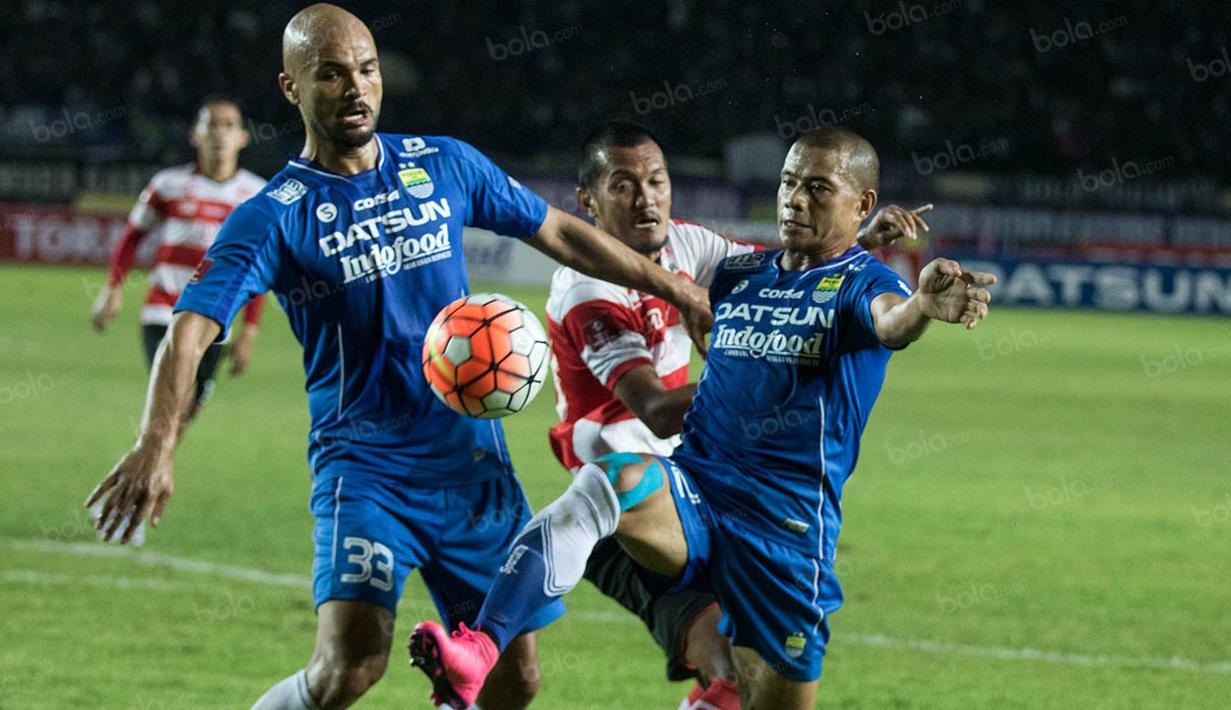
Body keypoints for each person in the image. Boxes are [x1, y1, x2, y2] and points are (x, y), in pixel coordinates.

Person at [82, 5, 711, 710]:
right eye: (331, 75)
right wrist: (155, 444)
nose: (356, 88)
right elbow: (190, 330)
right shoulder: (274, 213)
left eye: (367, 70)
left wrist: (675, 288)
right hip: (367, 471)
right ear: (291, 88)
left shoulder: (442, 164)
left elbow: (559, 232)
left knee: (513, 679)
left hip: (472, 469)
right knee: (349, 666)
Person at [409, 126, 994, 709]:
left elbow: (888, 320)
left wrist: (921, 305)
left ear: (861, 203)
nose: (794, 199)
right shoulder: (742, 273)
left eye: (817, 188)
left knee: (750, 691)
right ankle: (478, 649)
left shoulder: (866, 283)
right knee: (609, 481)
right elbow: (665, 393)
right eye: (789, 183)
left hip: (783, 530)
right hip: (695, 490)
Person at [545, 119, 929, 709]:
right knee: (723, 669)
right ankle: (483, 639)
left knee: (747, 678)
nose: (646, 199)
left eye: (657, 181)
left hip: (724, 498)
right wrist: (762, 373)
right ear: (587, 200)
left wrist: (862, 243)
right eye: (623, 186)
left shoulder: (694, 249)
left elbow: (795, 276)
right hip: (638, 505)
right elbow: (656, 409)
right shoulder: (585, 291)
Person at [91, 98, 267, 422]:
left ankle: (152, 453)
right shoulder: (168, 184)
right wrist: (113, 288)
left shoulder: (257, 195)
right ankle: (150, 453)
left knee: (186, 409)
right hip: (164, 307)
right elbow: (132, 236)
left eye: (228, 126)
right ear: (194, 135)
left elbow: (258, 266)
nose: (219, 134)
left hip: (216, 315)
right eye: (211, 125)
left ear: (242, 137)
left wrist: (249, 331)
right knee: (174, 398)